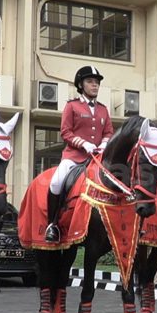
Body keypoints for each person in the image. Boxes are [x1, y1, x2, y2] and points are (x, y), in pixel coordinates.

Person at [45, 65, 114, 242]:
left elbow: (108, 132)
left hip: (97, 160)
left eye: (97, 82)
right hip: (74, 158)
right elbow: (66, 132)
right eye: (90, 82)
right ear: (81, 85)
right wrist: (84, 144)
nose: (95, 85)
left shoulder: (103, 109)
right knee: (56, 182)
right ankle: (52, 224)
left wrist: (105, 144)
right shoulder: (72, 106)